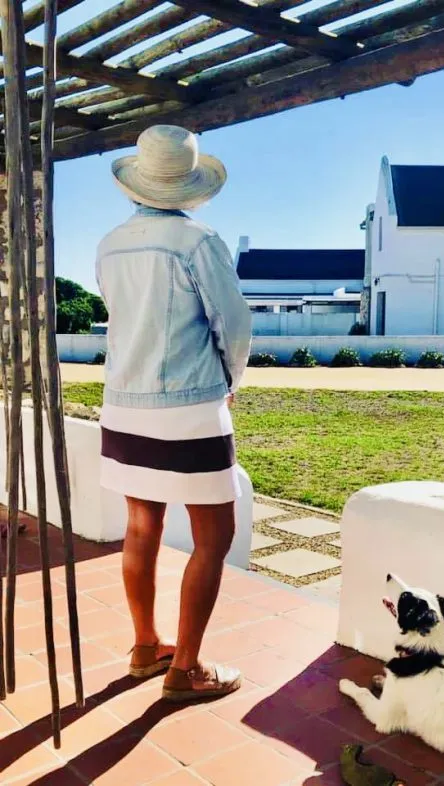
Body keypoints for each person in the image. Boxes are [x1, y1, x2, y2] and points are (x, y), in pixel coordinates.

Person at [96, 125, 252, 702]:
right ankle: (185, 669)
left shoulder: (109, 244)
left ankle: (144, 648)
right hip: (188, 407)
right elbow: (233, 325)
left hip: (124, 406)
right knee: (215, 534)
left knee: (142, 525)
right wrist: (230, 382)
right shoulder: (200, 242)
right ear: (189, 186)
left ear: (136, 185)